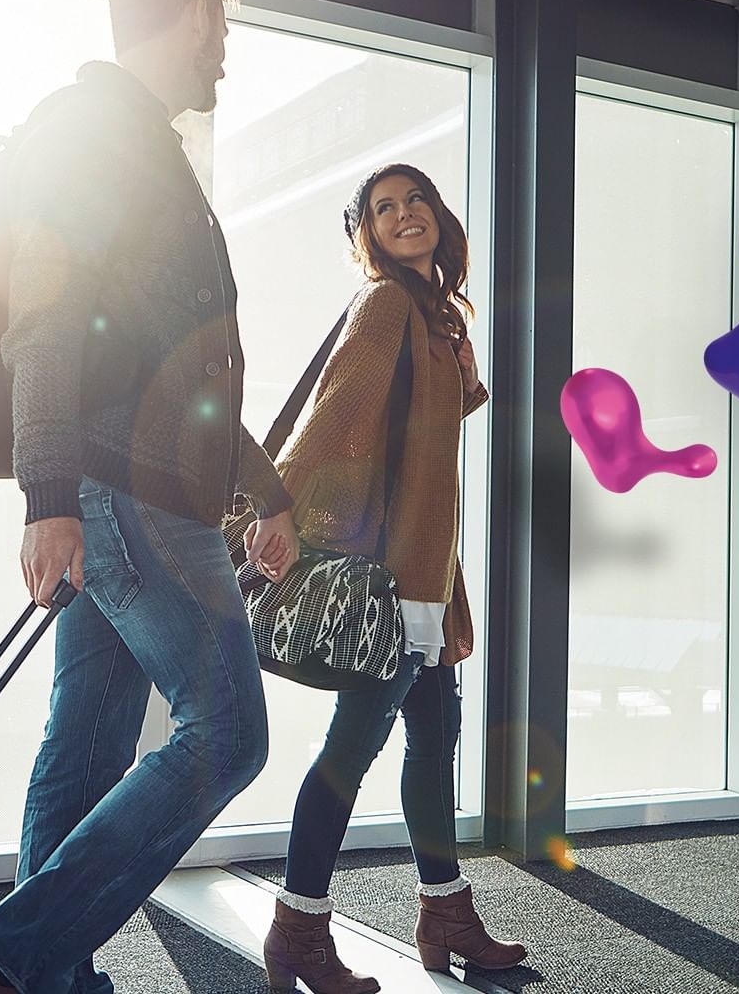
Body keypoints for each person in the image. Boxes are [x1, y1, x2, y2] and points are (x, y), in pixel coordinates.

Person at [0, 0, 300, 994]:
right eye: (221, 25)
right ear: (186, 17)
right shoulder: (91, 134)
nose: (226, 51)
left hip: (142, 483)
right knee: (226, 733)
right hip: (125, 492)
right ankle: (5, 961)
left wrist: (262, 488)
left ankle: (46, 979)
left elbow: (180, 364)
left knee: (87, 744)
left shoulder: (145, 146)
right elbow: (42, 322)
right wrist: (49, 498)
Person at [259, 164, 526, 993]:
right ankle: (297, 930)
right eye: (384, 209)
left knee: (433, 741)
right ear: (366, 236)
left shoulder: (433, 315)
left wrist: (452, 342)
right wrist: (273, 504)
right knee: (351, 750)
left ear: (438, 218)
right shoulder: (384, 306)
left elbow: (431, 430)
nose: (404, 214)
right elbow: (334, 409)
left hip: (425, 570)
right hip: (387, 579)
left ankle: (444, 910)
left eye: (415, 201)